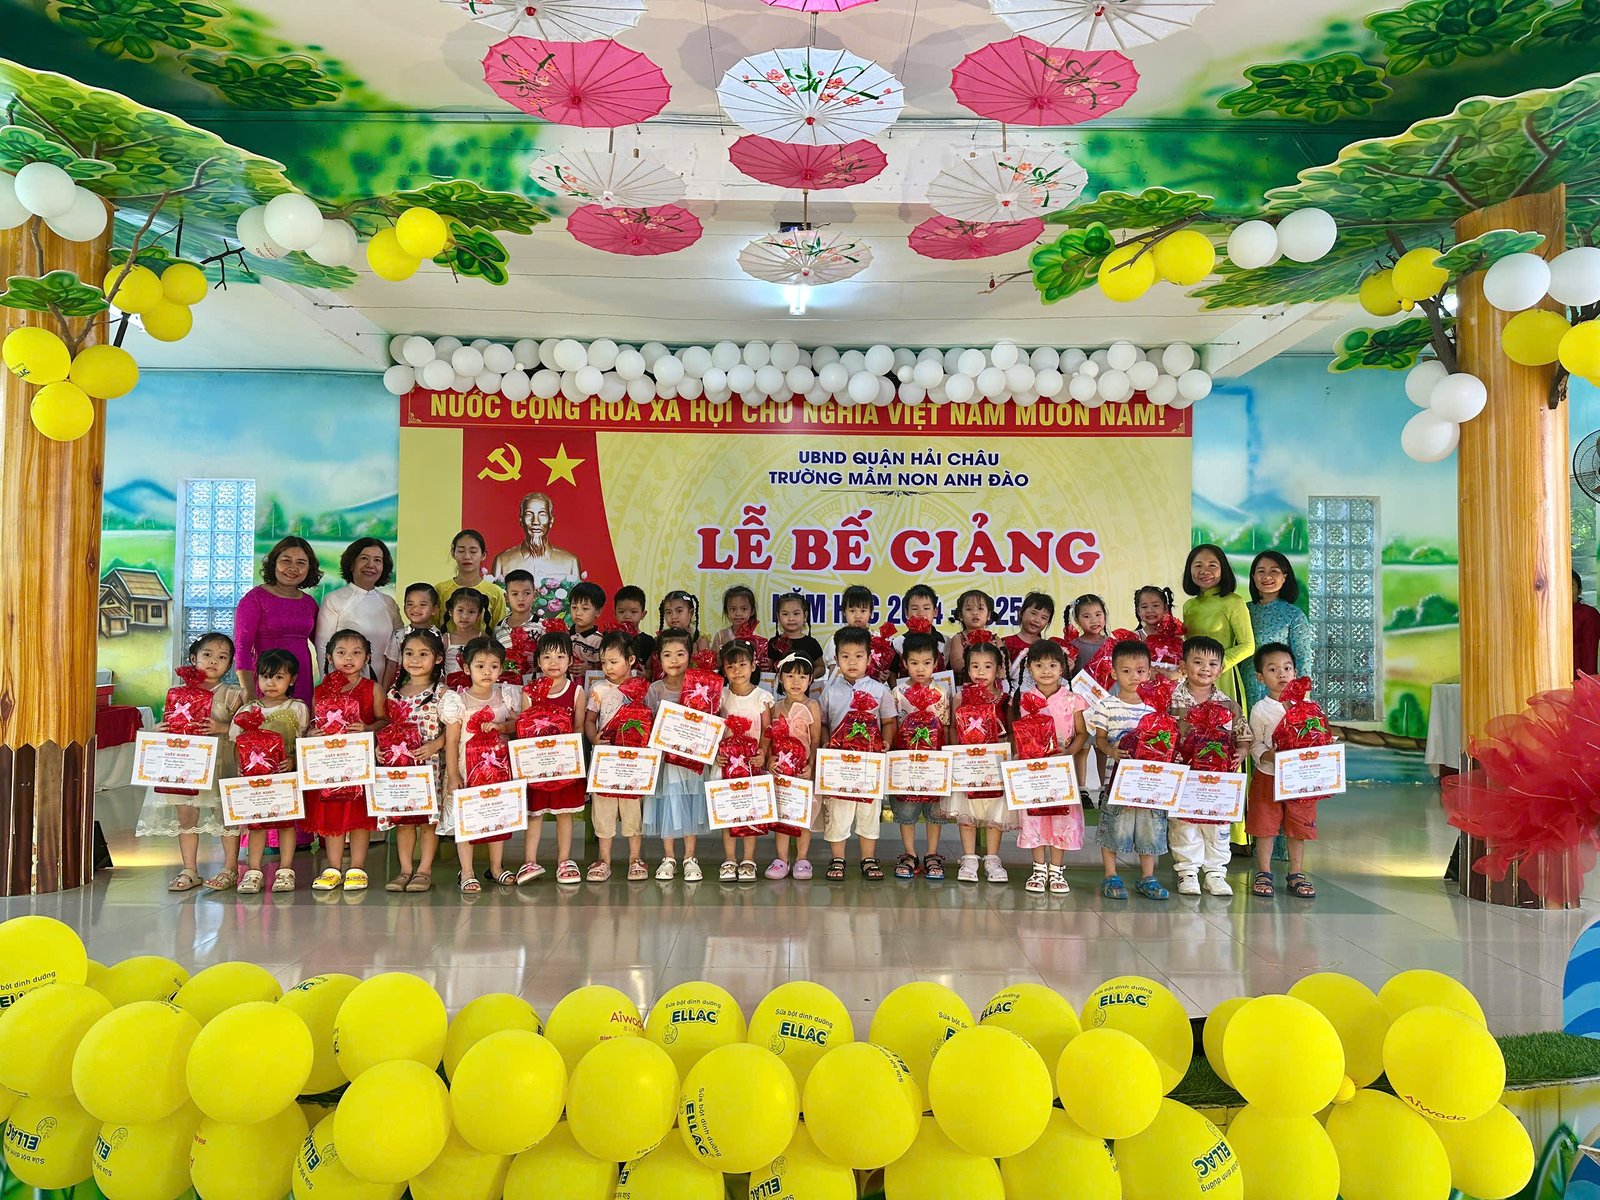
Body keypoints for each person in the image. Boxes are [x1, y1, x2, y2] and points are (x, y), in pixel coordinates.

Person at [140, 633, 245, 892]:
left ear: (229, 664)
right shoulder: (177, 694)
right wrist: (159, 730)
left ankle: (230, 868)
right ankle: (189, 869)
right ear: (193, 658)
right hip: (184, 769)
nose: (213, 661)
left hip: (221, 767)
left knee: (225, 817)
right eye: (207, 655)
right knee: (186, 816)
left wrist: (223, 727)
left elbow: (247, 730)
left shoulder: (233, 695)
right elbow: (171, 725)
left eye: (222, 657)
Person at [440, 636, 526, 895]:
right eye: (480, 666)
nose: (487, 672)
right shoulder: (457, 700)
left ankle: (496, 867)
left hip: (498, 769)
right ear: (467, 668)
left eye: (494, 666)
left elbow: (516, 724)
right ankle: (467, 871)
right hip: (466, 770)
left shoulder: (506, 695)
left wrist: (502, 727)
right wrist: (453, 774)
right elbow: (451, 741)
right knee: (466, 818)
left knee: (497, 816)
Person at [1086, 640, 1169, 902]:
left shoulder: (1155, 707)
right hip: (1116, 783)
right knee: (1114, 827)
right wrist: (1111, 751)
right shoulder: (1106, 705)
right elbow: (1099, 740)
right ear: (1114, 673)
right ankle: (1111, 875)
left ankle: (1148, 877)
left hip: (1149, 784)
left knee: (1149, 828)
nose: (1134, 677)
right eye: (1126, 671)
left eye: (1140, 671)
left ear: (1150, 673)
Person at [304, 630, 386, 892]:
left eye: (356, 653)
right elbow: (313, 724)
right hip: (329, 767)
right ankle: (332, 868)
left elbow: (384, 721)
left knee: (358, 816)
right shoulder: (320, 692)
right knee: (331, 816)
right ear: (329, 657)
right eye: (341, 653)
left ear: (368, 657)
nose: (348, 658)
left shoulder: (372, 689)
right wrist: (311, 733)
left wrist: (368, 728)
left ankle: (357, 868)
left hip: (359, 766)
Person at [1167, 636, 1249, 897]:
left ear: (1221, 669)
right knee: (1184, 824)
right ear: (1183, 665)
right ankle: (1187, 872)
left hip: (1218, 780)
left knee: (1217, 826)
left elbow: (1243, 736)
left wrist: (1241, 752)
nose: (1205, 668)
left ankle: (1215, 873)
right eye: (1198, 662)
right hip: (1185, 777)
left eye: (1213, 664)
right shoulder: (1172, 700)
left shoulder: (1228, 704)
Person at [1247, 642, 1327, 899]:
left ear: (1295, 672)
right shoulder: (1260, 709)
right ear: (1261, 677)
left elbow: (1320, 738)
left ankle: (1296, 873)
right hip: (1268, 776)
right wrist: (1271, 756)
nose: (1281, 674)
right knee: (1265, 826)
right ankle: (1264, 872)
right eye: (1272, 669)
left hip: (1300, 780)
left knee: (1298, 826)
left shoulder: (1309, 707)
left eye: (1287, 668)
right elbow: (1255, 744)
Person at [820, 624, 898, 881]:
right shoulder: (830, 691)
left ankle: (868, 858)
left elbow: (889, 721)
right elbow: (823, 723)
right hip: (840, 763)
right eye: (845, 656)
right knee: (838, 810)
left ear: (869, 657)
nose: (852, 662)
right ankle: (838, 858)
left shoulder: (879, 690)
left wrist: (886, 742)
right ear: (836, 658)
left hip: (869, 764)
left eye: (858, 656)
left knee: (869, 812)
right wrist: (825, 745)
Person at [231, 649, 309, 895]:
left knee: (286, 823)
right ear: (257, 679)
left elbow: (304, 742)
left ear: (292, 679)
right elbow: (236, 743)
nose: (271, 683)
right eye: (265, 677)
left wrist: (293, 760)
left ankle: (285, 869)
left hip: (285, 778)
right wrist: (241, 767)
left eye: (278, 677)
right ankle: (253, 870)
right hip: (255, 781)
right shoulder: (247, 710)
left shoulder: (297, 708)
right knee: (257, 823)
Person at [381, 628, 450, 894]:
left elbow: (453, 729)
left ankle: (424, 870)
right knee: (404, 819)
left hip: (429, 767)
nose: (415, 659)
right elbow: (386, 726)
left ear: (438, 658)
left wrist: (436, 744)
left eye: (423, 654)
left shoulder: (442, 692)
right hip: (400, 769)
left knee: (427, 821)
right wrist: (379, 750)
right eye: (409, 653)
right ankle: (405, 870)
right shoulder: (393, 693)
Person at [1015, 640, 1086, 895]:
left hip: (1061, 771)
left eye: (1052, 665)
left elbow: (1082, 734)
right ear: (1029, 668)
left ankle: (1056, 870)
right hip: (1033, 771)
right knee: (1035, 814)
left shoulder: (1072, 700)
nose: (1046, 670)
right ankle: (1038, 868)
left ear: (1062, 668)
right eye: (1039, 665)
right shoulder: (1024, 699)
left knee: (1061, 817)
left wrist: (1069, 752)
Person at [942, 636, 1014, 883]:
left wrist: (1003, 754)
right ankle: (969, 858)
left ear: (998, 669)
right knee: (967, 812)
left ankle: (992, 859)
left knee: (994, 812)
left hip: (994, 767)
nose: (980, 672)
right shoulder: (960, 697)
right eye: (975, 666)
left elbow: (1010, 732)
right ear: (967, 668)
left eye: (987, 666)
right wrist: (957, 754)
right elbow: (953, 728)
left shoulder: (1004, 699)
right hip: (968, 765)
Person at [523, 627, 588, 885]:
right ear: (538, 661)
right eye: (547, 657)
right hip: (537, 767)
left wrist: (570, 760)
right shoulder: (529, 692)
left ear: (570, 660)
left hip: (566, 766)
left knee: (564, 812)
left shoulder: (577, 692)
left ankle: (564, 860)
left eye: (560, 656)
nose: (554, 662)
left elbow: (579, 728)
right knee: (535, 813)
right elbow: (524, 730)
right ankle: (529, 861)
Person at [644, 629, 710, 880]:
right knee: (668, 805)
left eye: (680, 654)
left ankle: (690, 857)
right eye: (667, 654)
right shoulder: (654, 690)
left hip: (691, 761)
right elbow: (649, 724)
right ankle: (669, 857)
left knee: (690, 803)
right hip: (665, 761)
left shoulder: (701, 688)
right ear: (659, 658)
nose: (674, 660)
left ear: (690, 656)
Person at [585, 631, 649, 881]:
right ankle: (604, 859)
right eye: (604, 662)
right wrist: (594, 738)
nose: (608, 667)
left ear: (630, 660)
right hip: (606, 760)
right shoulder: (599, 689)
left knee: (633, 808)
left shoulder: (642, 687)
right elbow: (590, 720)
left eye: (613, 662)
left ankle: (635, 858)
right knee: (603, 808)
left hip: (633, 761)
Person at [888, 630, 952, 880]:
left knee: (934, 809)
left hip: (934, 762)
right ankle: (909, 853)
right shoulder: (898, 692)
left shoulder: (942, 693)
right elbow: (892, 725)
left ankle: (932, 853)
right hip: (906, 762)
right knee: (906, 809)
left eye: (926, 663)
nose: (920, 669)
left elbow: (946, 726)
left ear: (936, 662)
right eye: (914, 663)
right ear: (905, 663)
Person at [234, 536, 321, 703]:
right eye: (286, 560)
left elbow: (322, 644)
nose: (293, 568)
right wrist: (249, 693)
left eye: (301, 563)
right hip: (267, 681)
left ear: (309, 568)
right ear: (274, 563)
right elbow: (242, 647)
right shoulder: (254, 599)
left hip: (301, 680)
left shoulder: (309, 603)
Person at [715, 639, 774, 881]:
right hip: (727, 766)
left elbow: (767, 730)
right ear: (724, 670)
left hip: (751, 766)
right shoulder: (721, 696)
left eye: (742, 664)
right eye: (730, 666)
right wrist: (716, 754)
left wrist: (762, 752)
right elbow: (714, 728)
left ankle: (749, 860)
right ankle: (729, 859)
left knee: (751, 812)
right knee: (728, 812)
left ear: (753, 666)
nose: (737, 671)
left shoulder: (762, 697)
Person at [315, 538, 402, 685]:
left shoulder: (389, 603)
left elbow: (398, 645)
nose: (370, 565)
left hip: (383, 684)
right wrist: (330, 686)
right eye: (364, 558)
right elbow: (323, 647)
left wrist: (386, 688)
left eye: (377, 560)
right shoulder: (334, 599)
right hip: (344, 686)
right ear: (351, 564)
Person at [768, 653, 823, 879]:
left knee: (802, 816)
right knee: (782, 815)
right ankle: (782, 859)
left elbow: (816, 739)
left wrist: (811, 766)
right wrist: (771, 760)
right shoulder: (775, 706)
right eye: (790, 676)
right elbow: (769, 739)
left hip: (802, 771)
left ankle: (802, 858)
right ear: (780, 678)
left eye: (802, 676)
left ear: (810, 680)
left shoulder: (813, 705)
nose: (796, 681)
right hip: (782, 771)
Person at [1180, 544, 1255, 704]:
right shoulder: (1189, 606)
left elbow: (1248, 645)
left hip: (1223, 676)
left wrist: (1214, 665)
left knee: (1224, 719)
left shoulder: (1234, 602)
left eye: (1212, 565)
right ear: (1189, 570)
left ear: (1223, 569)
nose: (1204, 571)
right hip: (1193, 678)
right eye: (1198, 565)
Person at [1245, 551, 1313, 707]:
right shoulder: (1243, 610)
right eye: (1261, 571)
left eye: (1274, 571)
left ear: (1284, 577)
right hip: (1245, 686)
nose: (1267, 576)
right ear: (1253, 577)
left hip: (1280, 693)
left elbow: (1302, 659)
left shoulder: (1294, 615)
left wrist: (1299, 700)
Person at [1067, 593, 1111, 806]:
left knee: (1103, 747)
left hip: (1106, 704)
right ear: (1077, 620)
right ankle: (1081, 789)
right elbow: (1068, 676)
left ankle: (1104, 789)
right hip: (1082, 706)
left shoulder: (1112, 644)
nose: (1094, 620)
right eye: (1086, 616)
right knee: (1082, 747)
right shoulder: (1073, 646)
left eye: (1098, 614)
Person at [491, 491, 583, 583]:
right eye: (529, 514)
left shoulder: (571, 562)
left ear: (551, 520)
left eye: (542, 514)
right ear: (521, 520)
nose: (535, 522)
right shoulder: (502, 561)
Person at [438, 529, 508, 631]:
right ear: (453, 553)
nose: (467, 556)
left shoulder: (495, 593)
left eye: (473, 551)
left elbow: (501, 631)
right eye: (461, 551)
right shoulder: (440, 590)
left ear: (483, 555)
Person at [382, 583, 441, 693]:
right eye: (410, 604)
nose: (416, 609)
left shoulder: (439, 635)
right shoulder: (398, 635)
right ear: (404, 607)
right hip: (402, 688)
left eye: (422, 605)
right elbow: (391, 666)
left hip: (430, 690)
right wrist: (384, 691)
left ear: (434, 609)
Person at [1004, 592, 1055, 692]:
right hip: (1011, 695)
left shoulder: (1047, 648)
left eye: (1043, 618)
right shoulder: (1006, 643)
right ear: (1021, 612)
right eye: (1033, 613)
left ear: (1048, 622)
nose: (1037, 620)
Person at [946, 588, 996, 684]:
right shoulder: (959, 638)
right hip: (966, 686)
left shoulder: (995, 639)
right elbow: (956, 663)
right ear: (960, 615)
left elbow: (1005, 664)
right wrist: (977, 670)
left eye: (980, 608)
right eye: (969, 609)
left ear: (989, 615)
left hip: (991, 686)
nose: (975, 613)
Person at [893, 585, 947, 669]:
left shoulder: (946, 642)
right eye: (915, 609)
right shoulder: (898, 643)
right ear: (906, 613)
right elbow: (894, 672)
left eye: (926, 608)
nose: (921, 613)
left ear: (935, 612)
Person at [768, 591, 824, 673]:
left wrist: (811, 676)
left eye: (796, 614)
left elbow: (821, 667)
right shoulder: (773, 642)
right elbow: (769, 668)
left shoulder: (812, 643)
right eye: (785, 614)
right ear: (778, 617)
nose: (791, 618)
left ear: (805, 616)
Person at [443, 588, 490, 684]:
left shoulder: (483, 638)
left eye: (471, 612)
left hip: (476, 687)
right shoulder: (446, 639)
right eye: (460, 610)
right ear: (451, 611)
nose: (465, 616)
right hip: (450, 688)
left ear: (479, 615)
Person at [567, 581, 607, 682]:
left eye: (585, 608)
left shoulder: (598, 640)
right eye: (574, 607)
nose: (578, 613)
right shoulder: (565, 635)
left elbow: (604, 671)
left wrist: (588, 670)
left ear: (598, 612)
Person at [710, 585, 759, 654]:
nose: (738, 614)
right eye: (733, 609)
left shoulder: (756, 639)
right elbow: (713, 658)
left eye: (744, 609)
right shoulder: (721, 636)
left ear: (752, 611)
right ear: (727, 611)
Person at [1575, 570, 1599, 678]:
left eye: (1570, 587)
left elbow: (1590, 656)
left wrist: (1588, 683)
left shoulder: (1588, 614)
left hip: (1577, 680)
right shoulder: (1549, 614)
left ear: (1579, 591)